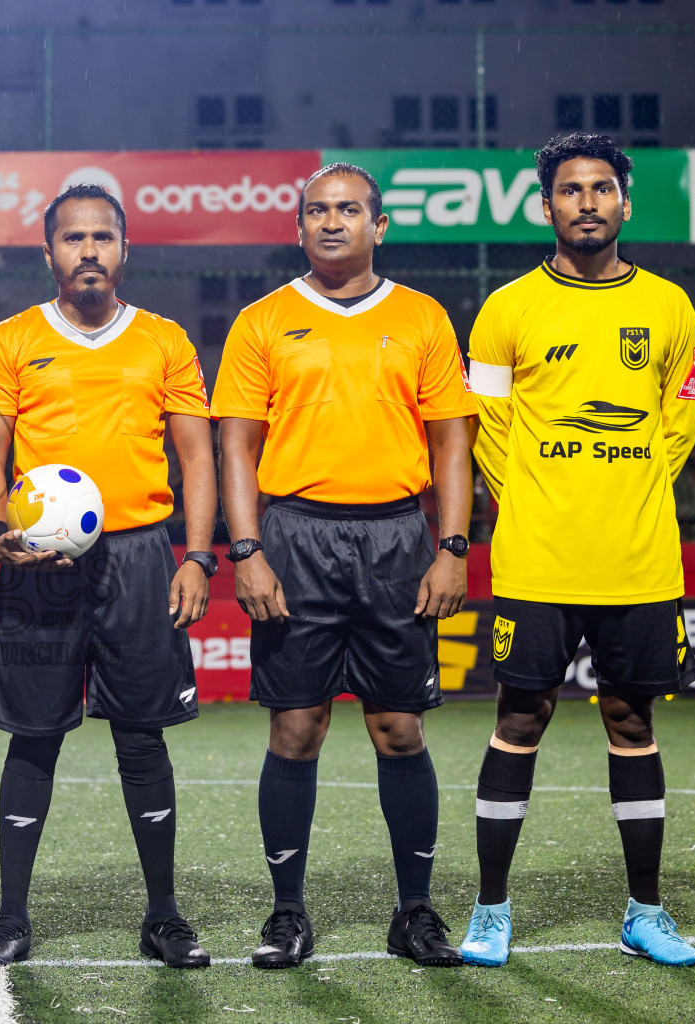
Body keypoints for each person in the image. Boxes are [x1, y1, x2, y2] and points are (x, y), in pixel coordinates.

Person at [213, 163, 475, 970]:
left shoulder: (424, 317)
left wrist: (454, 546)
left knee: (400, 728)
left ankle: (416, 912)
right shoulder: (262, 320)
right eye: (317, 211)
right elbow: (236, 444)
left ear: (379, 224)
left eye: (349, 209)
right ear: (298, 229)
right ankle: (288, 914)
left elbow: (452, 440)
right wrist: (247, 551)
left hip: (397, 539)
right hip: (295, 537)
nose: (333, 222)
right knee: (297, 728)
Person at [463, 132, 695, 968]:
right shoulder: (505, 311)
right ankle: (491, 910)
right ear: (547, 206)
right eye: (571, 190)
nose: (587, 202)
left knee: (631, 721)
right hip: (537, 557)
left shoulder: (671, 308)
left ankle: (645, 911)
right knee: (518, 719)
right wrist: (536, 498)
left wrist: (623, 491)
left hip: (637, 560)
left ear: (625, 203)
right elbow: (486, 433)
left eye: (602, 188)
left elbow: (678, 428)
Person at [0, 184, 216, 970]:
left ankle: (165, 915)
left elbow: (196, 455)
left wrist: (199, 556)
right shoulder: (9, 340)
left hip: (140, 557)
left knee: (141, 738)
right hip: (40, 565)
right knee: (33, 740)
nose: (88, 252)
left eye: (102, 238)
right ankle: (10, 916)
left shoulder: (165, 341)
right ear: (49, 254)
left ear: (123, 249)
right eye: (73, 239)